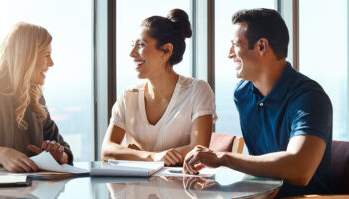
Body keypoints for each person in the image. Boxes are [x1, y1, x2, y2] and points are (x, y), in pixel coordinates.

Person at [183, 8, 332, 197]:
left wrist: (223, 158)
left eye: (235, 44)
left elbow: (299, 168)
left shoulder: (310, 98)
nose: (229, 53)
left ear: (261, 46)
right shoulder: (243, 93)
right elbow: (258, 163)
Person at [101, 9, 217, 166]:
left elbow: (198, 150)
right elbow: (107, 150)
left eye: (141, 44)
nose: (132, 53)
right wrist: (153, 157)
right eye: (132, 45)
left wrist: (135, 154)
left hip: (182, 189)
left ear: (167, 50)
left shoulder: (197, 91)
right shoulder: (128, 96)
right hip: (135, 189)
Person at [0, 22, 73, 173]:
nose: (51, 63)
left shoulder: (36, 98)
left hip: (28, 193)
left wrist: (59, 156)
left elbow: (66, 151)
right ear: (26, 58)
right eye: (46, 55)